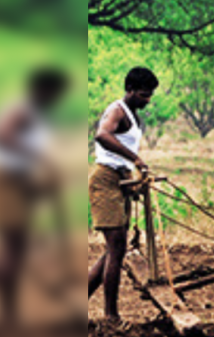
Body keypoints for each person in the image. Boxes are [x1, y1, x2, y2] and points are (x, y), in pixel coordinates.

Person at [0, 67, 69, 325]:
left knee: (15, 252)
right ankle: (8, 312)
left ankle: (8, 313)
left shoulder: (37, 116)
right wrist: (40, 159)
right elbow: (2, 135)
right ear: (43, 90)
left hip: (16, 184)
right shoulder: (21, 110)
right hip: (1, 183)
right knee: (13, 253)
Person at [88, 66, 158, 323]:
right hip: (105, 180)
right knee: (116, 249)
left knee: (112, 250)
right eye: (143, 94)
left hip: (119, 180)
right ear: (129, 90)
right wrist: (136, 159)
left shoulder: (134, 115)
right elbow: (102, 136)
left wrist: (131, 181)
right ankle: (110, 315)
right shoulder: (117, 110)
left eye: (149, 95)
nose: (147, 99)